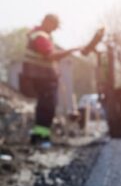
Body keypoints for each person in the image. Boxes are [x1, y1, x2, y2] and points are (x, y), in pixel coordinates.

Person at [21, 14, 79, 147]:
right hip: (42, 78)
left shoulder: (42, 36)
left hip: (45, 78)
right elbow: (50, 55)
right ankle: (41, 138)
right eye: (54, 26)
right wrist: (71, 51)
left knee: (46, 107)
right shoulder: (40, 36)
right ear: (47, 22)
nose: (55, 29)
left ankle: (40, 137)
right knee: (46, 107)